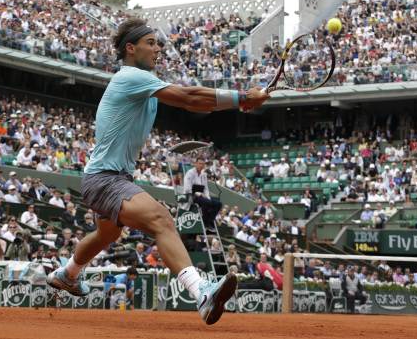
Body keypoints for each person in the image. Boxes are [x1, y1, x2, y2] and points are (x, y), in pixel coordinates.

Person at [46, 18, 269, 325]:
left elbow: (194, 105)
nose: (157, 49)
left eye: (157, 43)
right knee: (161, 219)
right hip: (105, 179)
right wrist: (242, 97)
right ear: (130, 48)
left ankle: (68, 273)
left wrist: (238, 103)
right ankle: (201, 292)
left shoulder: (144, 85)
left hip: (109, 177)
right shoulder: (130, 77)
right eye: (150, 43)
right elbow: (190, 97)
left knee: (105, 234)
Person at [183, 157, 221, 230]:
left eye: (203, 164)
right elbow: (188, 189)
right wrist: (199, 194)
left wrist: (208, 197)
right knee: (206, 203)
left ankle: (209, 221)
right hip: (191, 195)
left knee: (218, 204)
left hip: (201, 196)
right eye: (200, 163)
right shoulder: (190, 173)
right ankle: (205, 222)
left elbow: (206, 188)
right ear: (196, 164)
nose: (201, 165)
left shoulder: (203, 174)